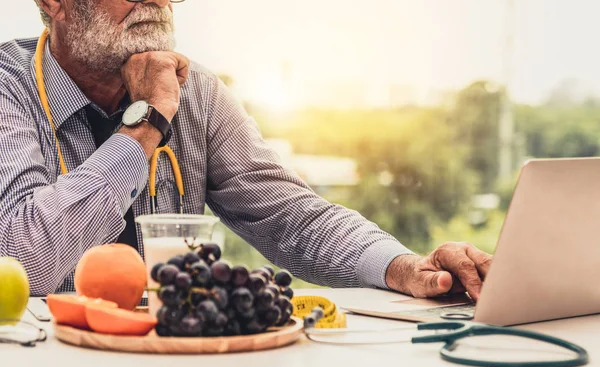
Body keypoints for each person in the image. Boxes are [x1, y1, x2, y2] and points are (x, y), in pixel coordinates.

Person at [0, 0, 492, 301]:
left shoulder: (199, 94)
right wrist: (148, 120)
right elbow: (25, 254)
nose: (157, 1)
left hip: (174, 365)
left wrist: (405, 267)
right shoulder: (9, 86)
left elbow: (295, 218)